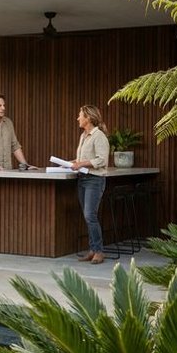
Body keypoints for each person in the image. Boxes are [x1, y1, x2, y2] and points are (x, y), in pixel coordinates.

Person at [71, 104, 110, 264]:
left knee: (90, 215)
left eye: (80, 115)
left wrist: (82, 164)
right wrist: (72, 163)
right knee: (88, 217)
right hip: (82, 179)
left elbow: (102, 159)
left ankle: (99, 251)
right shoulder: (83, 136)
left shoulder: (98, 136)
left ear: (88, 118)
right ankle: (93, 250)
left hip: (95, 180)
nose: (78, 118)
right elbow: (83, 159)